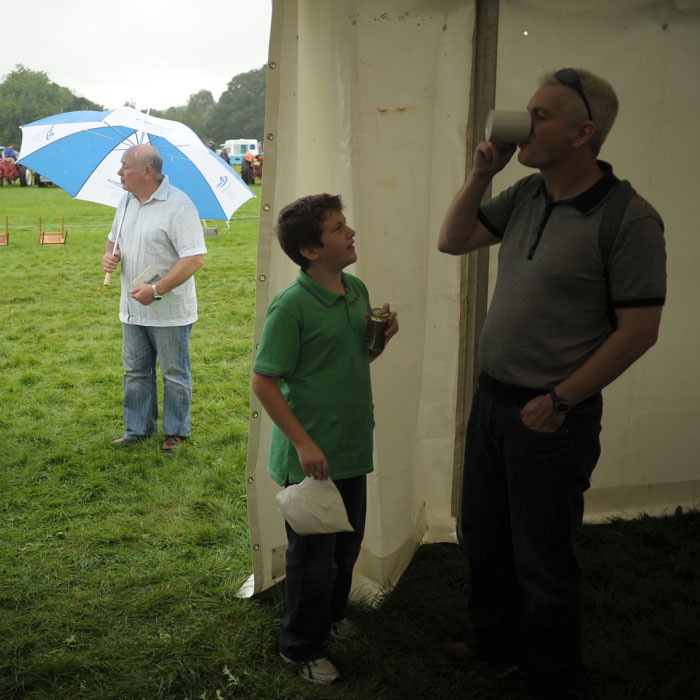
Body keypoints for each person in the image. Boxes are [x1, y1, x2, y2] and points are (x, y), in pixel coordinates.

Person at [437, 68, 665, 700]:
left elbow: (639, 330)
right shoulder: (527, 194)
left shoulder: (628, 219)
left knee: (544, 557)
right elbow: (452, 240)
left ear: (582, 132)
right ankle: (494, 644)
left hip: (552, 414)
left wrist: (561, 399)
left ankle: (551, 676)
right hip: (493, 398)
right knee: (484, 535)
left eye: (541, 115)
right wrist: (483, 173)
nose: (523, 124)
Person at [251, 193, 398, 685]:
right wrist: (303, 444)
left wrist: (380, 338)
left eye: (344, 224)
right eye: (338, 228)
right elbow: (264, 382)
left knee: (346, 547)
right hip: (310, 458)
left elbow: (354, 361)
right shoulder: (291, 307)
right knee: (313, 562)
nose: (350, 232)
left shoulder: (354, 289)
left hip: (351, 449)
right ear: (311, 251)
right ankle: (301, 647)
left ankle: (332, 618)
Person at [101, 144, 207, 453]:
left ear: (148, 171)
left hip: (168, 309)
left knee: (174, 374)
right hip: (132, 308)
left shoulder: (179, 206)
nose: (119, 172)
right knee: (134, 372)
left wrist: (157, 289)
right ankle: (137, 429)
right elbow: (112, 242)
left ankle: (175, 432)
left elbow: (194, 259)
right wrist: (110, 257)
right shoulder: (125, 201)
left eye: (125, 166)